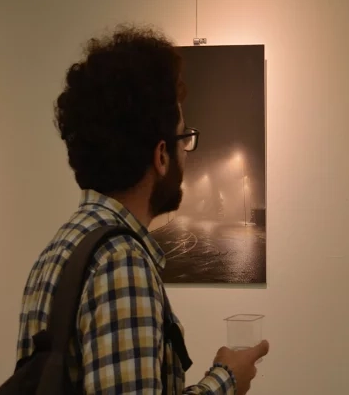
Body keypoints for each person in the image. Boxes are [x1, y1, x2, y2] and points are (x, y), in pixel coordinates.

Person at [15, 25, 269, 394]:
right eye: (185, 138)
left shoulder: (58, 251)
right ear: (161, 155)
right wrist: (226, 380)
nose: (187, 152)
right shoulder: (120, 262)